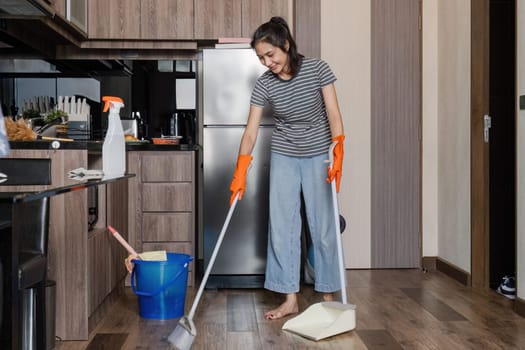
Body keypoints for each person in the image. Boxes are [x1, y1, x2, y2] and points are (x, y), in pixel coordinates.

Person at [229, 16, 345, 320]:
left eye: (271, 54)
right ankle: (289, 298)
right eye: (261, 58)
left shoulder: (318, 69)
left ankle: (328, 297)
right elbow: (251, 131)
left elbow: (333, 114)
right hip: (283, 155)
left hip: (319, 152)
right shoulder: (264, 84)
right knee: (282, 228)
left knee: (323, 229)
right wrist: (240, 168)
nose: (267, 62)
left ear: (286, 45)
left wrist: (338, 148)